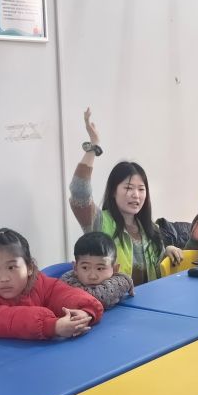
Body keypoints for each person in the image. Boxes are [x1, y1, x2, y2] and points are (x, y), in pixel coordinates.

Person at [0, 228, 103, 352]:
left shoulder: (36, 283)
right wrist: (51, 325)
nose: (3, 278)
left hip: (5, 359)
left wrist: (85, 311)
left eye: (11, 267)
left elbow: (61, 292)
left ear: (29, 268)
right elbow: (6, 320)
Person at [68, 108, 183, 284]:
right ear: (114, 191)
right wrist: (93, 147)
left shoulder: (151, 230)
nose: (136, 195)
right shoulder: (99, 222)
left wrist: (166, 251)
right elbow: (79, 191)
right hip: (114, 299)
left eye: (141, 189)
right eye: (129, 188)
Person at [60, 231, 134, 309]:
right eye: (85, 268)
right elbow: (95, 298)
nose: (92, 276)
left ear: (115, 269)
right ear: (75, 268)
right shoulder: (66, 283)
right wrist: (125, 282)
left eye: (100, 268)